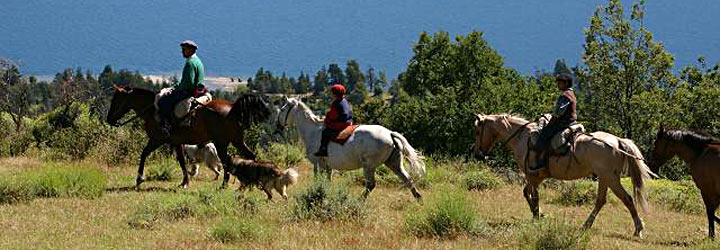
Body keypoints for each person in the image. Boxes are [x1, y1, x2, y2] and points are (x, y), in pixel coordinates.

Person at [529, 73, 577, 172]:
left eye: (560, 83)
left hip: (563, 122)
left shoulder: (565, 95)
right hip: (570, 121)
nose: (558, 85)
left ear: (566, 83)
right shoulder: (571, 94)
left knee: (543, 135)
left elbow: (558, 112)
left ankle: (541, 161)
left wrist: (551, 122)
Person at [157, 40, 205, 137]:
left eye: (184, 49)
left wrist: (175, 90)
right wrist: (175, 87)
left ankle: (166, 126)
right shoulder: (198, 61)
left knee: (163, 101)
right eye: (182, 49)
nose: (182, 52)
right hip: (195, 90)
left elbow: (189, 83)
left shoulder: (190, 63)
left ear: (191, 50)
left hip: (188, 91)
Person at [313, 84, 353, 157]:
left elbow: (332, 115)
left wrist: (326, 121)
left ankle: (323, 150)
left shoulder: (336, 103)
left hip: (341, 124)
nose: (331, 94)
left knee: (325, 132)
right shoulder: (344, 101)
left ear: (335, 94)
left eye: (332, 93)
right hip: (349, 122)